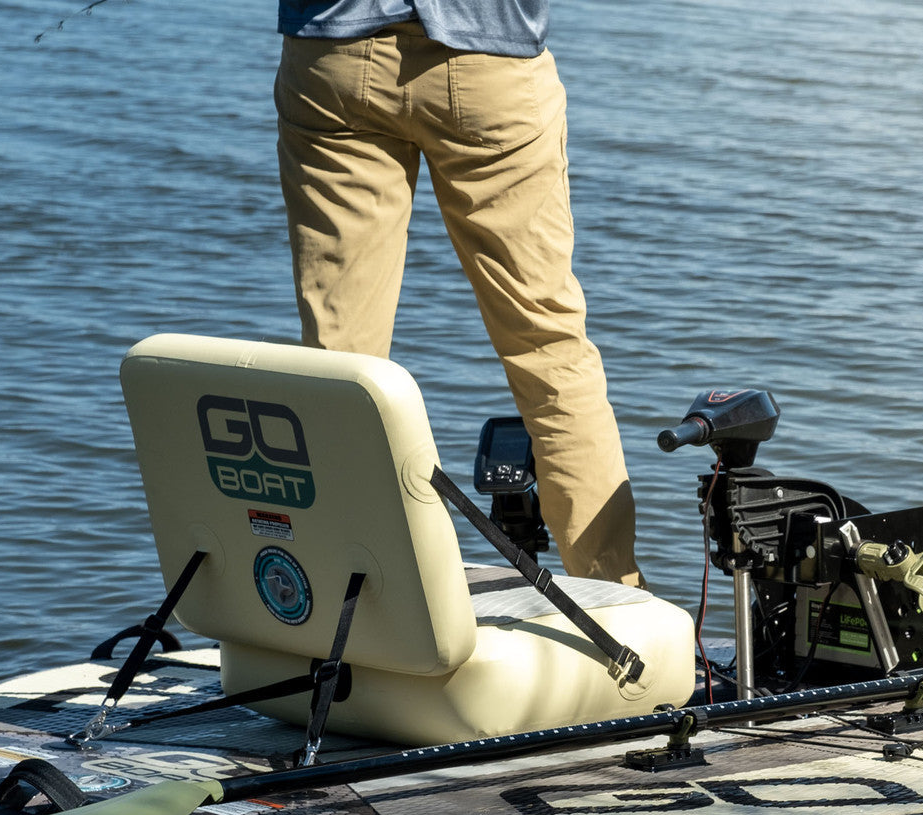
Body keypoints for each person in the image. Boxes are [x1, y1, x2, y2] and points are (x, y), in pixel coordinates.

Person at [274, 0, 645, 587]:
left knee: (339, 361)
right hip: (490, 56)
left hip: (333, 53)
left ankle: (345, 598)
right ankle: (613, 604)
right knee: (547, 347)